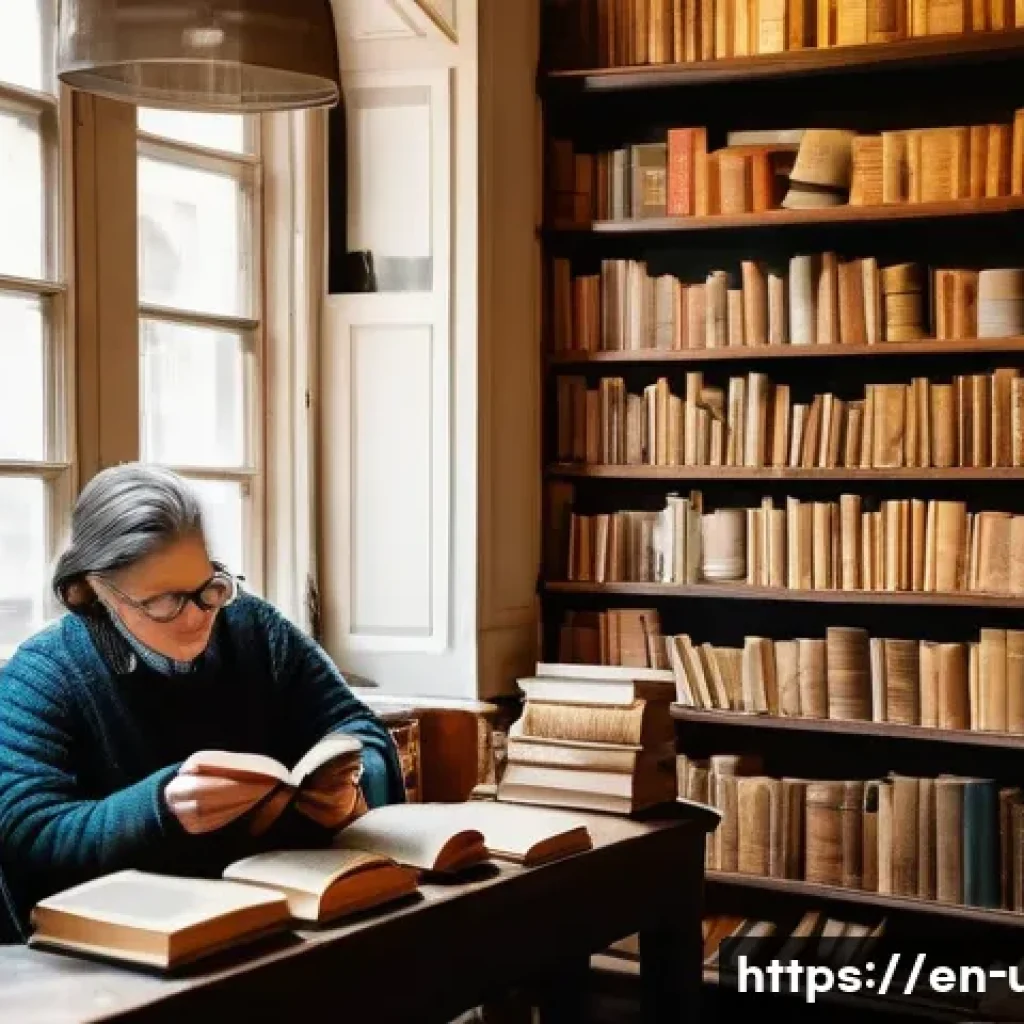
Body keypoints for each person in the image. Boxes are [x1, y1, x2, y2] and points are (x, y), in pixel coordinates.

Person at [0, 463, 405, 941]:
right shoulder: (42, 672)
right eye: (164, 601)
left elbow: (361, 730)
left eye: (208, 588)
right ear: (93, 590)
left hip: (281, 919)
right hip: (128, 947)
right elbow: (28, 837)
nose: (197, 616)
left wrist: (354, 787)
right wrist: (161, 807)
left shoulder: (253, 626)